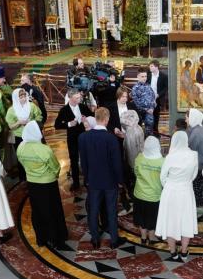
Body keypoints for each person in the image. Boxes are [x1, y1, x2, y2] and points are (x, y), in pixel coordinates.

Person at [16, 121, 67, 247]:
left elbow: (21, 163)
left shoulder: (21, 147)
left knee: (38, 210)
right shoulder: (44, 149)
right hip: (48, 183)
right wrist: (54, 175)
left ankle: (41, 238)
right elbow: (55, 167)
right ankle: (55, 238)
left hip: (32, 183)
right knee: (52, 210)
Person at [79, 107, 124, 248]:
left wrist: (86, 178)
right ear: (107, 119)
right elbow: (117, 163)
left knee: (93, 209)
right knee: (111, 210)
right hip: (110, 181)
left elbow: (83, 162)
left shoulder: (83, 137)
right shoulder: (111, 138)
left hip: (92, 180)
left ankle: (95, 239)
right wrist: (120, 181)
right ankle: (114, 240)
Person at [157, 130, 199, 260]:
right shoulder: (193, 155)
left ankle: (173, 252)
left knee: (170, 221)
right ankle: (184, 251)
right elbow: (194, 175)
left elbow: (162, 177)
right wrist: (184, 182)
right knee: (186, 221)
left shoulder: (170, 156)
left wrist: (170, 185)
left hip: (170, 192)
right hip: (186, 191)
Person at [54, 89, 93, 189]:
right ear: (70, 98)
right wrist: (69, 124)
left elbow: (92, 117)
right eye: (77, 98)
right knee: (74, 160)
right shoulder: (64, 110)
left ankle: (88, 180)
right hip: (72, 139)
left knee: (87, 158)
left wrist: (86, 120)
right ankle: (76, 182)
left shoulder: (83, 107)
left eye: (79, 97)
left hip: (84, 137)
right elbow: (57, 125)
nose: (79, 99)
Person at [132, 136, 164, 245]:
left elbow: (136, 173)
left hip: (139, 193)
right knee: (152, 218)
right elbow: (163, 179)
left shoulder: (139, 158)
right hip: (154, 196)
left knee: (141, 217)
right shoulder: (161, 161)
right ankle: (151, 237)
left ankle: (143, 237)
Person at [187, 108, 203, 219]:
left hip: (199, 166)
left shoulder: (196, 132)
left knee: (199, 191)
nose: (186, 120)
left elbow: (190, 149)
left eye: (187, 117)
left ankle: (199, 213)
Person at [131, 70, 156, 135]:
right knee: (139, 132)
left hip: (150, 112)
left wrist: (152, 108)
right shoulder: (135, 88)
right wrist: (146, 109)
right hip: (140, 113)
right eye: (142, 76)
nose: (144, 78)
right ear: (138, 77)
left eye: (145, 76)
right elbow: (136, 103)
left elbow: (153, 97)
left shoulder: (148, 86)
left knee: (150, 130)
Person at [147, 60, 168, 136]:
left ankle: (155, 131)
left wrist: (158, 95)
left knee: (156, 115)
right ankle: (148, 131)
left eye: (151, 66)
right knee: (148, 115)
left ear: (156, 67)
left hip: (158, 98)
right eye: (150, 66)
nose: (150, 67)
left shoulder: (163, 76)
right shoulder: (148, 75)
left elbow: (166, 88)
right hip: (148, 98)